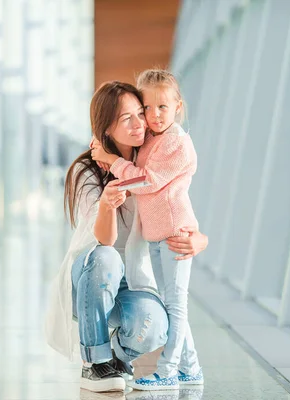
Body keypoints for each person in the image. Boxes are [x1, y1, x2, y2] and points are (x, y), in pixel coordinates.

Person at [44, 81, 208, 393]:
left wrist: (200, 239)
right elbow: (102, 242)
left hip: (132, 283)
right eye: (126, 118)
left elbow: (176, 206)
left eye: (140, 113)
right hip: (91, 281)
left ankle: (119, 359)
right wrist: (106, 204)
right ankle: (95, 361)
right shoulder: (87, 172)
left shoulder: (150, 162)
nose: (140, 123)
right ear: (106, 129)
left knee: (157, 324)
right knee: (106, 258)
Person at [91, 69, 203, 391]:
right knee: (172, 303)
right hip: (158, 236)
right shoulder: (154, 138)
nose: (152, 116)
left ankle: (168, 370)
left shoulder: (178, 144)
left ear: (178, 106)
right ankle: (191, 368)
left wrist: (112, 160)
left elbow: (145, 181)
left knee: (176, 304)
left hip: (175, 235)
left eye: (161, 108)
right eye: (146, 108)